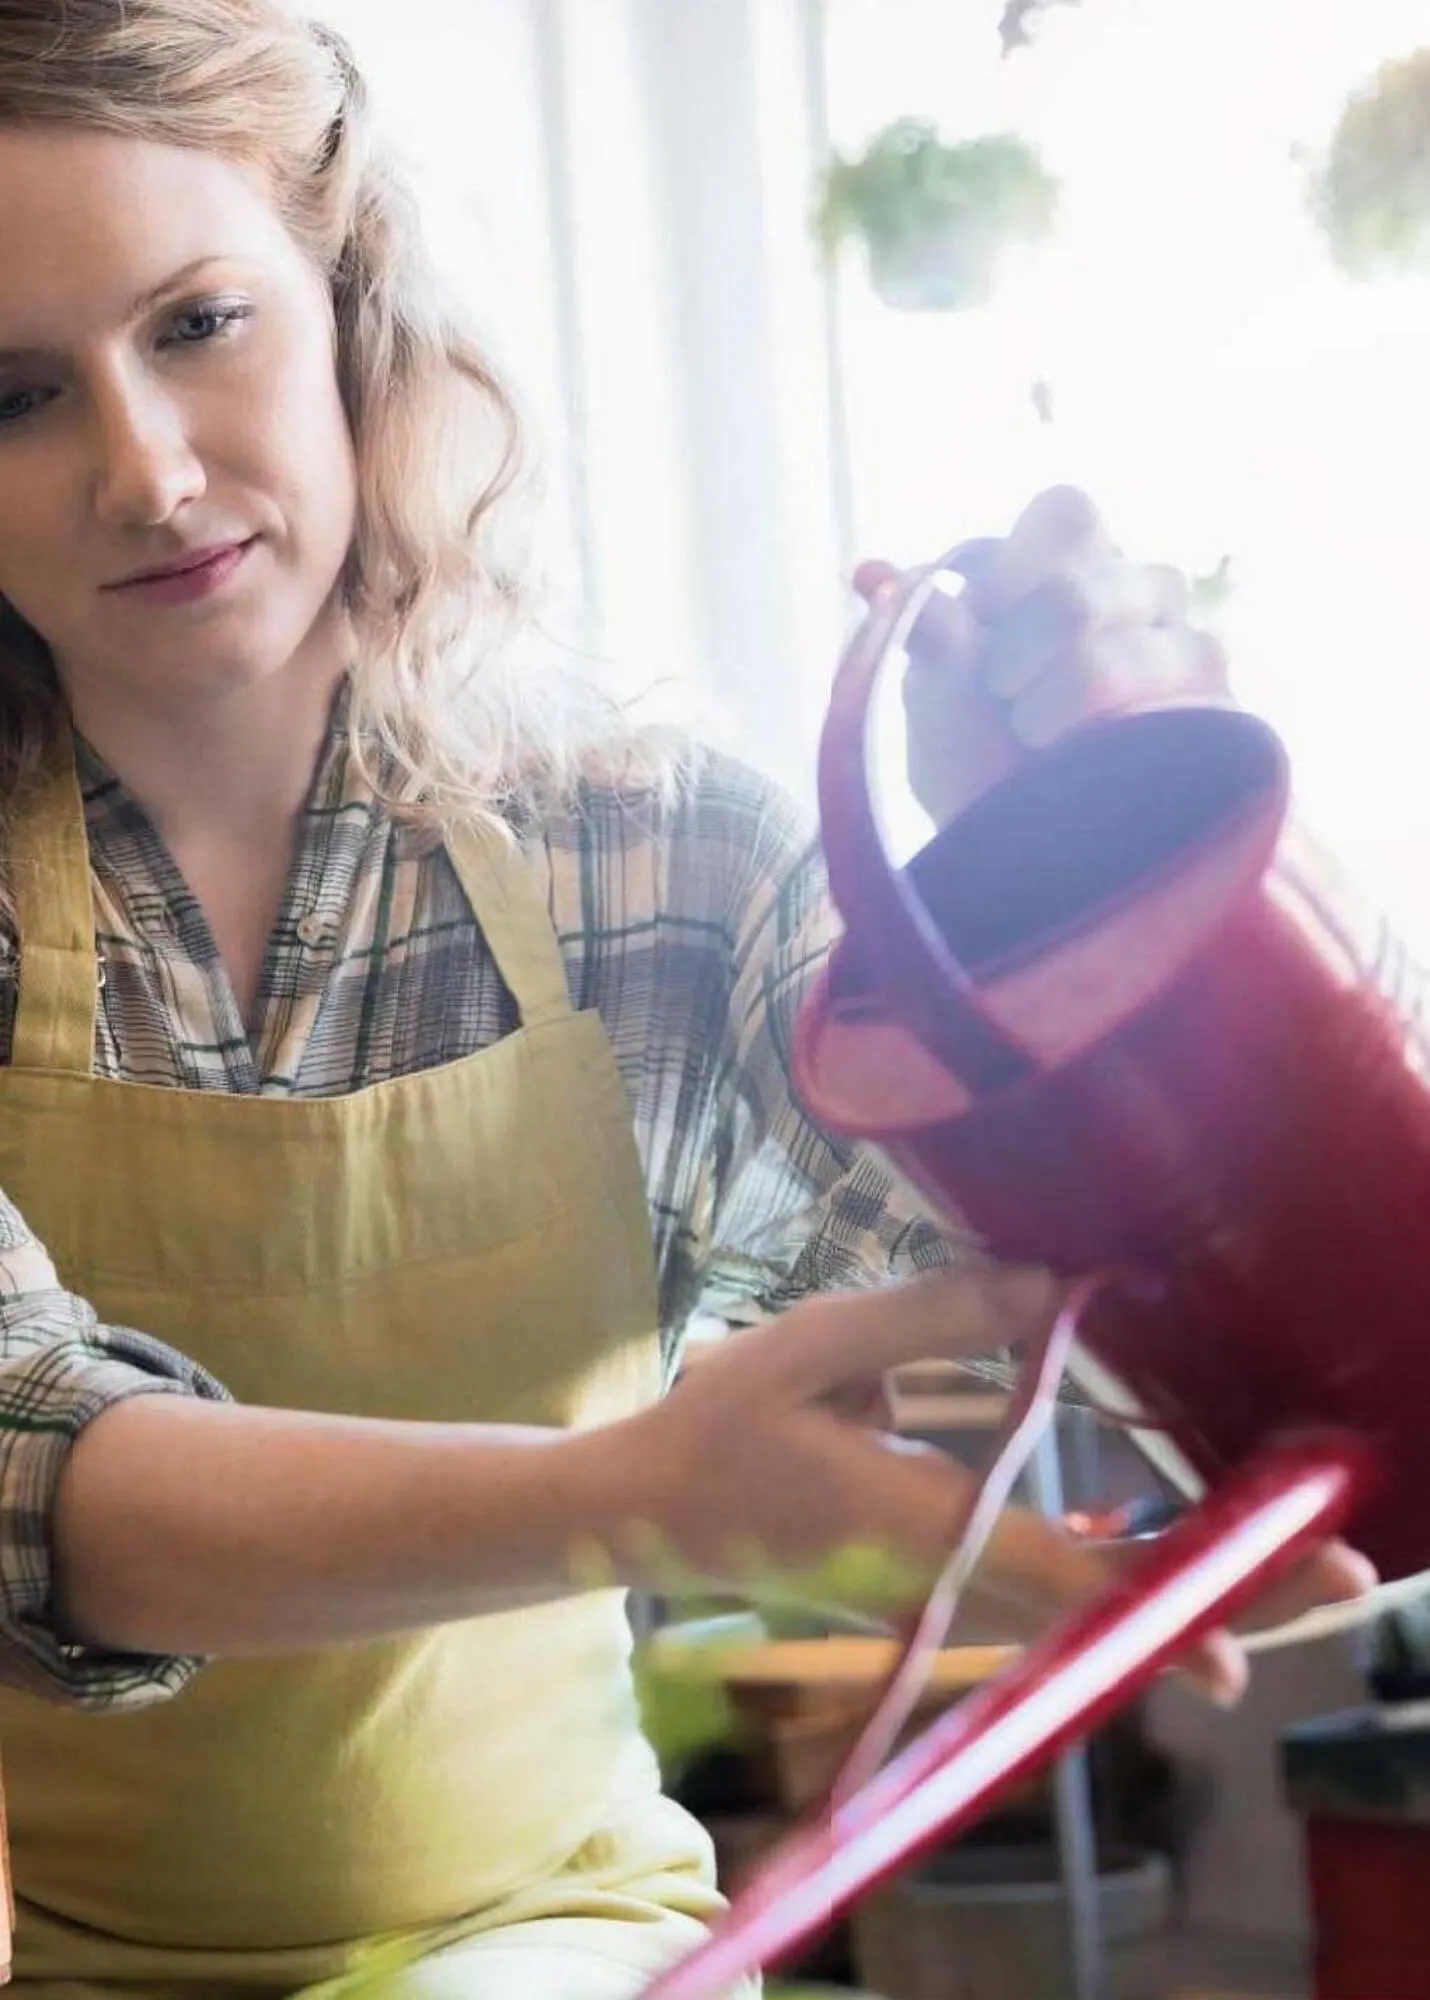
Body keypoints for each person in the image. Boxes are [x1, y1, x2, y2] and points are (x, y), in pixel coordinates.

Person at [0, 3, 1372, 1994]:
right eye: (15, 390)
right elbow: (25, 1463)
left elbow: (1125, 1312)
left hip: (549, 1938)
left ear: (346, 301)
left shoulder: (660, 859)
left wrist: (1080, 913)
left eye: (200, 324)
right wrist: (620, 1494)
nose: (147, 470)